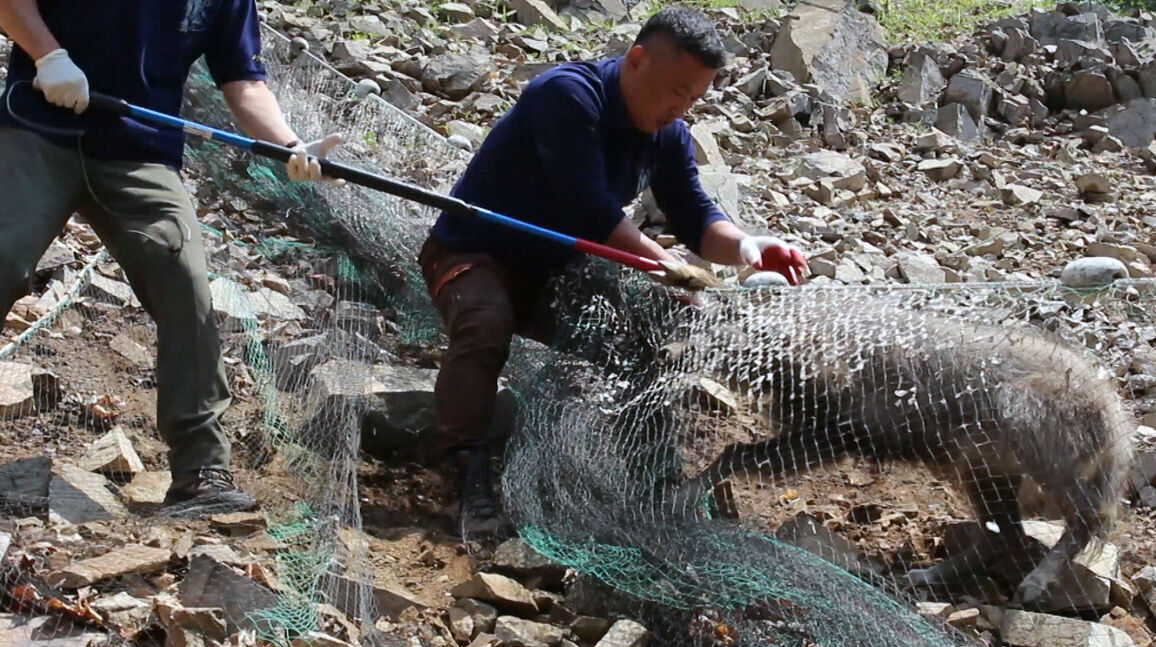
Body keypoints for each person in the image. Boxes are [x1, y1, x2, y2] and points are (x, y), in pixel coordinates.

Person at [418, 5, 809, 541]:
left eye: (694, 99)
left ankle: (653, 476)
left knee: (637, 338)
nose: (680, 109)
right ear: (637, 60)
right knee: (485, 324)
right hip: (471, 252)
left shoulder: (667, 134)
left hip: (554, 272)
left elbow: (695, 216)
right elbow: (589, 211)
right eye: (676, 92)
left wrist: (747, 246)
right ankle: (466, 469)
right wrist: (667, 265)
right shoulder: (565, 95)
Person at [0, 0, 340, 518]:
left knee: (185, 284)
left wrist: (290, 145)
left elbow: (244, 83)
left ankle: (201, 473)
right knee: (4, 255)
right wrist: (48, 56)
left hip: (141, 152)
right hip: (37, 127)